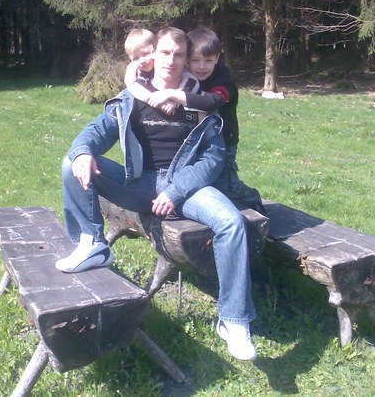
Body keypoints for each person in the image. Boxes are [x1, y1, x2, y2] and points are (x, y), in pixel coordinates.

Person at [56, 27, 257, 361]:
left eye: (179, 55)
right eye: (165, 53)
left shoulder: (198, 99)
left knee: (231, 222)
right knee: (71, 161)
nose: (171, 60)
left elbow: (213, 158)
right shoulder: (133, 95)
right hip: (139, 183)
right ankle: (92, 244)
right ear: (152, 54)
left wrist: (176, 191)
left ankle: (234, 321)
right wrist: (83, 152)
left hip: (187, 186)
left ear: (186, 59)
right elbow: (96, 131)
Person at [136, 27, 265, 214]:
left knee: (225, 184)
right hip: (199, 141)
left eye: (208, 60)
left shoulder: (223, 82)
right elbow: (141, 70)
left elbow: (209, 103)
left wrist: (172, 95)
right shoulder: (186, 76)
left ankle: (251, 198)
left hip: (224, 141)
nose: (201, 66)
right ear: (187, 59)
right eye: (195, 60)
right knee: (203, 181)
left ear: (217, 59)